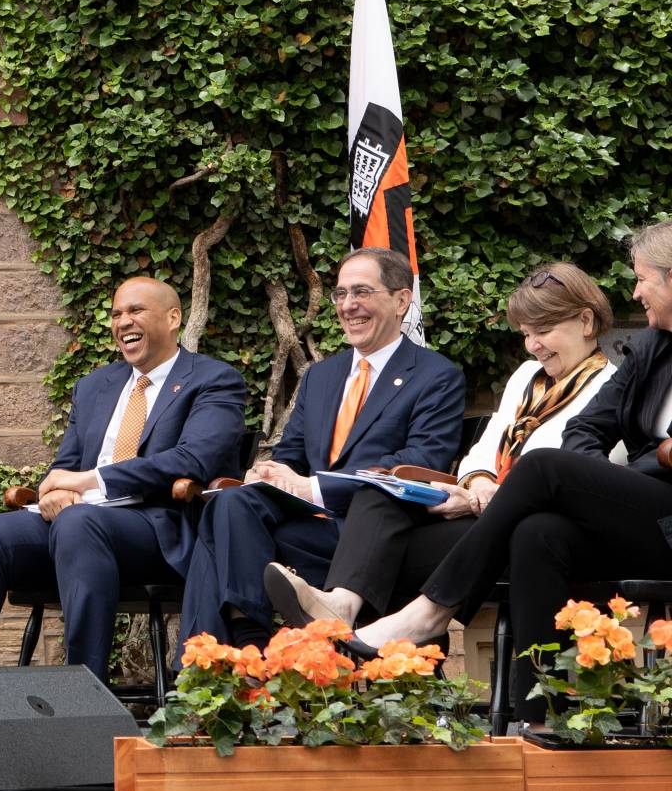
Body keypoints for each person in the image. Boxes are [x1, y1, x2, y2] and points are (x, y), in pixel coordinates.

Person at [351, 222, 672, 723]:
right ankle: (539, 714)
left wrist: (637, 467)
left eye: (643, 279)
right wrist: (586, 483)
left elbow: (613, 454)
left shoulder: (613, 364)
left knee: (541, 467)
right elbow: (587, 430)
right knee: (536, 530)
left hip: (664, 519)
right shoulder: (651, 348)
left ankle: (431, 612)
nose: (634, 292)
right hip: (636, 513)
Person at [265, 262, 620, 630]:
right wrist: (476, 484)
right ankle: (343, 605)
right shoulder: (527, 375)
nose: (533, 346)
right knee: (379, 490)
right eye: (526, 334)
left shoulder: (611, 387)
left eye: (543, 331)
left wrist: (481, 498)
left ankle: (392, 645)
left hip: (532, 534)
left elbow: (575, 476)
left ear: (586, 321)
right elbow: (481, 452)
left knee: (367, 551)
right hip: (478, 522)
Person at [0, 278, 247, 679]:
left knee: (79, 522)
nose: (123, 322)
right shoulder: (96, 386)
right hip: (78, 525)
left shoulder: (213, 380)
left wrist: (90, 482)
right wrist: (55, 491)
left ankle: (82, 691)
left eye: (135, 311)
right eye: (116, 314)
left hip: (156, 528)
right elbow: (67, 465)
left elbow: (194, 460)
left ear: (173, 318)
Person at [178, 247, 466, 648]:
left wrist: (311, 487)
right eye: (341, 294)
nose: (348, 306)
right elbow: (291, 455)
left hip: (371, 534)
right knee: (229, 504)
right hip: (309, 526)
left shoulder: (436, 376)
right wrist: (270, 473)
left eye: (362, 292)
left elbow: (419, 462)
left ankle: (223, 662)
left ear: (402, 300)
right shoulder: (321, 376)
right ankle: (249, 642)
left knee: (221, 533)